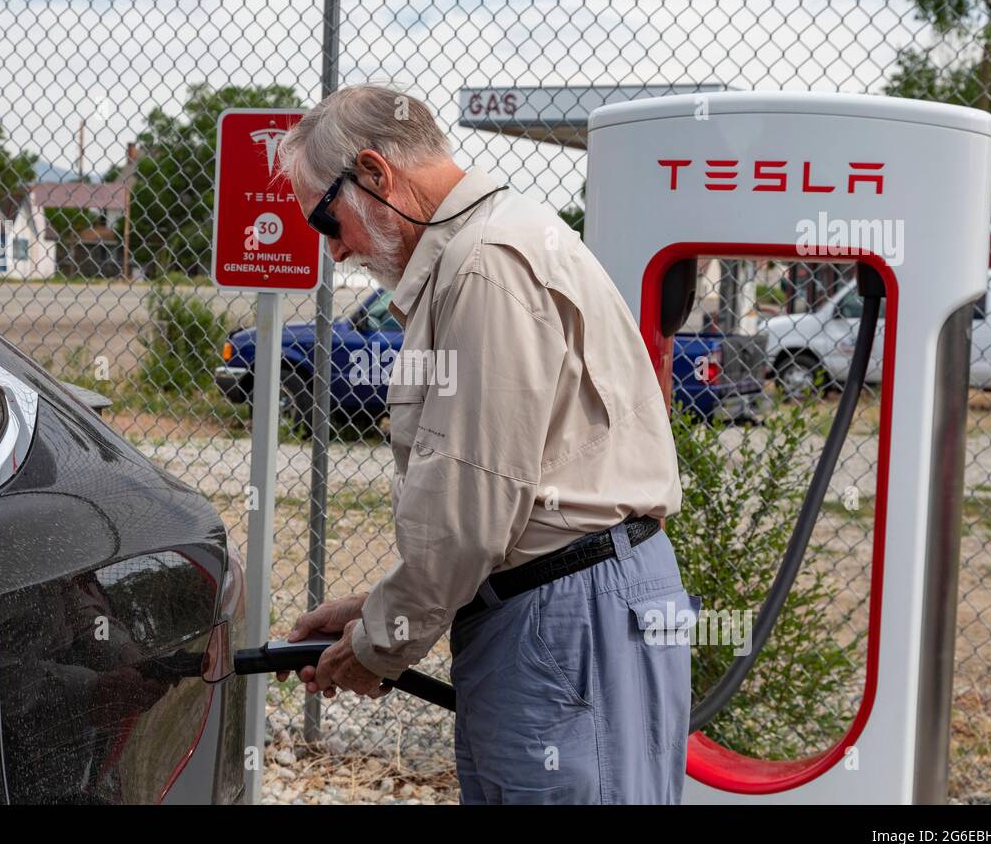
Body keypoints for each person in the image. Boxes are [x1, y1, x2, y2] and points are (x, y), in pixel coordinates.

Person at [275, 83, 697, 804]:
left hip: (565, 616)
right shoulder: (493, 243)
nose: (336, 250)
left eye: (325, 218)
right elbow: (497, 508)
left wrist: (377, 645)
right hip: (572, 601)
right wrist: (373, 608)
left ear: (374, 173)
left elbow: (471, 517)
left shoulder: (484, 266)